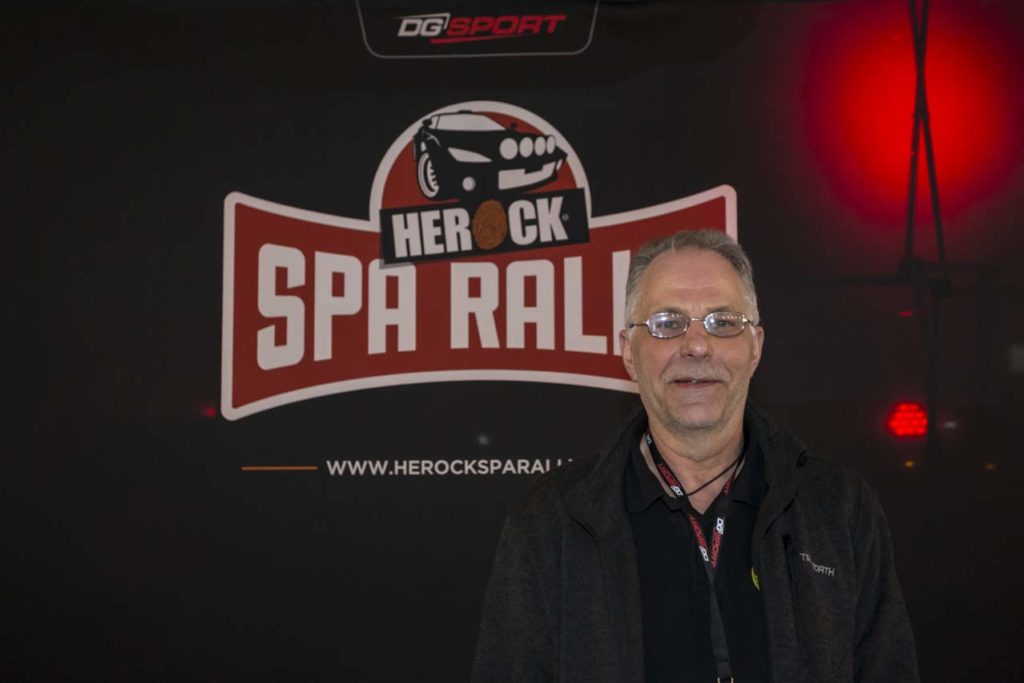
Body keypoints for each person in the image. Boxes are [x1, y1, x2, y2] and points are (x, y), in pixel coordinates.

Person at [471, 229, 918, 682]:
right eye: (668, 323)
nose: (697, 346)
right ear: (629, 352)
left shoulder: (839, 508)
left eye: (722, 322)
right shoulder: (550, 521)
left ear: (755, 347)